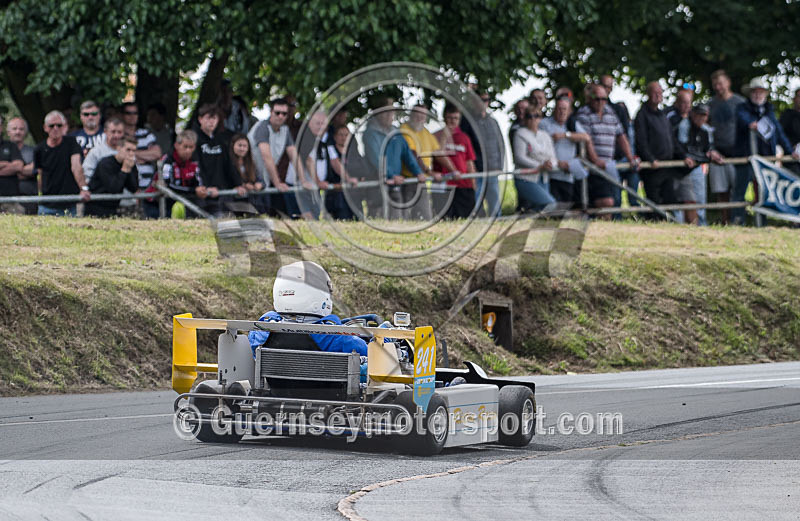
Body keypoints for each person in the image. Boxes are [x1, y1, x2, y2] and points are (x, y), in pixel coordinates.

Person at [248, 261, 368, 365]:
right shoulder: (334, 338)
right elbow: (368, 352)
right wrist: (383, 340)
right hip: (326, 391)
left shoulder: (261, 332)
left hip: (276, 390)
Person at [732, 77, 799, 225]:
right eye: (755, 92)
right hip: (746, 157)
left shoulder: (769, 111)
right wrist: (752, 124)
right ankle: (737, 220)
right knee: (740, 189)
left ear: (765, 94)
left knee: (762, 191)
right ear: (750, 93)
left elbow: (779, 133)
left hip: (765, 159)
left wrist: (789, 151)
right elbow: (745, 121)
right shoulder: (742, 108)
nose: (757, 95)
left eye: (760, 92)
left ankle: (762, 221)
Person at [576, 84, 637, 211]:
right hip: (592, 167)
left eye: (603, 99)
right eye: (597, 99)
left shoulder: (611, 112)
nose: (600, 102)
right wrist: (595, 160)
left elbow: (621, 136)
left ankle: (608, 225)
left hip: (608, 165)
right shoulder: (583, 113)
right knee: (603, 201)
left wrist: (630, 157)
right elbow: (587, 140)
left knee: (612, 199)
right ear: (590, 98)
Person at [364, 97, 425, 217]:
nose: (389, 116)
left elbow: (407, 154)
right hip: (378, 183)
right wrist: (391, 175)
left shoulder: (396, 133)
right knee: (379, 216)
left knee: (398, 217)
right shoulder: (370, 134)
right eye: (386, 112)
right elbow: (376, 159)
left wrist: (418, 172)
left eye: (391, 112)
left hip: (395, 183)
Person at [634, 81, 687, 213]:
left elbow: (672, 141)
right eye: (655, 92)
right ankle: (654, 224)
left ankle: (667, 225)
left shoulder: (662, 115)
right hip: (653, 168)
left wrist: (684, 156)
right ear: (648, 94)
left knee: (669, 199)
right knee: (654, 202)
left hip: (666, 166)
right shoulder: (642, 115)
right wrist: (650, 159)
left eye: (660, 92)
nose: (658, 95)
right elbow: (641, 141)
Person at [253, 97, 306, 218]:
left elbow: (294, 155)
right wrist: (277, 183)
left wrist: (303, 181)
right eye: (277, 113)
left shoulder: (285, 130)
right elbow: (267, 157)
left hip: (267, 179)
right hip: (254, 178)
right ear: (271, 112)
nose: (280, 116)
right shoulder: (262, 127)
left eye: (284, 113)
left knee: (279, 215)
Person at [708, 70, 746, 223]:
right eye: (715, 84)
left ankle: (738, 219)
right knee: (721, 190)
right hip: (718, 152)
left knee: (738, 189)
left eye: (721, 83)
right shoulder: (710, 104)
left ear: (728, 83)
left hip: (736, 152)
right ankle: (725, 220)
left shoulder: (740, 103)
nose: (718, 87)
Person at [34, 111, 90, 216]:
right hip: (47, 203)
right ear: (45, 128)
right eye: (51, 126)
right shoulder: (39, 149)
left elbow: (76, 166)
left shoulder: (72, 143)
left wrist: (84, 188)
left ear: (65, 127)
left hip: (69, 204)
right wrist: (40, 194)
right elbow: (40, 174)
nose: (55, 128)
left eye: (59, 125)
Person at [460, 91, 506, 217]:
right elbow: (464, 145)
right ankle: (477, 220)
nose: (483, 103)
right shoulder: (467, 121)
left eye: (486, 100)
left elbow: (500, 144)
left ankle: (496, 221)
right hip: (476, 169)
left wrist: (500, 166)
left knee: (494, 199)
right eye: (480, 99)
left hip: (492, 168)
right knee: (476, 198)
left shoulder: (493, 122)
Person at [195, 104, 246, 216]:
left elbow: (229, 165)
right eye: (208, 118)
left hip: (221, 192)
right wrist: (206, 186)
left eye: (214, 118)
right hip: (203, 193)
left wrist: (237, 184)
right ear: (200, 119)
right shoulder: (195, 140)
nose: (211, 122)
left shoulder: (221, 141)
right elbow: (196, 167)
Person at [540, 97, 592, 204]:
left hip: (567, 175)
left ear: (569, 111)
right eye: (559, 108)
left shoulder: (572, 125)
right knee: (552, 209)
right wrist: (558, 163)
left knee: (565, 208)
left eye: (564, 109)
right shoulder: (544, 124)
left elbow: (586, 137)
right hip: (550, 174)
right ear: (554, 109)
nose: (561, 112)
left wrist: (565, 135)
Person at [397, 104, 445, 220]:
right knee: (406, 218)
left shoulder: (425, 132)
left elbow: (439, 153)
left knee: (425, 217)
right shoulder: (404, 129)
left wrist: (454, 170)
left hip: (421, 179)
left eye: (423, 115)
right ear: (411, 115)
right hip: (408, 179)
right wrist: (429, 172)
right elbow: (413, 155)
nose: (420, 117)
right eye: (417, 114)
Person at [600, 75, 638, 207]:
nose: (607, 89)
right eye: (605, 86)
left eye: (609, 86)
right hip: (604, 161)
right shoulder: (587, 111)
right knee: (614, 196)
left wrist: (629, 157)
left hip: (619, 158)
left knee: (629, 195)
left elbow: (623, 136)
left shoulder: (616, 111)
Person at [433, 104, 477, 219]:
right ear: (444, 118)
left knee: (465, 218)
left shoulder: (464, 137)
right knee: (446, 219)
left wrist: (473, 183)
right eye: (450, 118)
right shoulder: (436, 136)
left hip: (463, 184)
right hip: (444, 184)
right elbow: (439, 154)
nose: (453, 121)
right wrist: (445, 135)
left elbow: (469, 161)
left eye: (456, 118)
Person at [512, 103, 557, 212]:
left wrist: (551, 164)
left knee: (540, 209)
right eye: (529, 116)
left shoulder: (545, 135)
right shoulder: (520, 133)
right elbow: (519, 157)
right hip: (526, 178)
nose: (533, 119)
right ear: (525, 118)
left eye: (536, 116)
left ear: (540, 118)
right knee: (550, 204)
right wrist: (540, 165)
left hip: (543, 177)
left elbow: (552, 157)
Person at [121, 101, 162, 217]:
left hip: (147, 190)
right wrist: (145, 155)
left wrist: (133, 154)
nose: (132, 116)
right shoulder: (117, 134)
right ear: (122, 115)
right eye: (128, 113)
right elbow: (119, 156)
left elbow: (157, 153)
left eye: (135, 113)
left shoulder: (146, 134)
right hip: (126, 192)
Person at [85, 138, 139, 218]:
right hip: (97, 206)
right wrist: (124, 170)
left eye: (134, 151)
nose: (131, 154)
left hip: (113, 207)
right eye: (128, 150)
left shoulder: (129, 164)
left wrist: (128, 170)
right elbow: (113, 188)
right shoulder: (105, 164)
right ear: (118, 148)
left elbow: (133, 188)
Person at [162, 130, 203, 217]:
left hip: (187, 201)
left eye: (191, 147)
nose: (188, 150)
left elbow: (198, 181)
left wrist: (200, 189)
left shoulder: (195, 161)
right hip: (162, 202)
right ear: (177, 145)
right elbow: (167, 186)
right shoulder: (167, 160)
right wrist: (193, 190)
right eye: (185, 147)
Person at [230, 133, 267, 214]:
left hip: (253, 204)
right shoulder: (228, 163)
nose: (242, 148)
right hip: (235, 205)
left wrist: (259, 185)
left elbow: (262, 181)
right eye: (239, 145)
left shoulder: (252, 163)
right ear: (233, 145)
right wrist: (243, 186)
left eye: (245, 146)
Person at [7, 117, 37, 214]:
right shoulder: (2, 151)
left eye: (21, 129)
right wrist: (23, 169)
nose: (18, 132)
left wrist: (8, 170)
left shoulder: (34, 151)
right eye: (14, 129)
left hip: (28, 198)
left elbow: (34, 170)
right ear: (8, 132)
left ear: (26, 132)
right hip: (5, 199)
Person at [83, 118, 125, 182]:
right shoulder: (95, 152)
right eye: (113, 132)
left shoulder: (128, 151)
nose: (116, 135)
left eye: (119, 132)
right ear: (105, 132)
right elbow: (86, 175)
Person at [0, 114, 25, 205]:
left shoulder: (11, 146)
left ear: (1, 128)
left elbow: (18, 166)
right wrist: (7, 164)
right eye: (14, 128)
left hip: (11, 201)